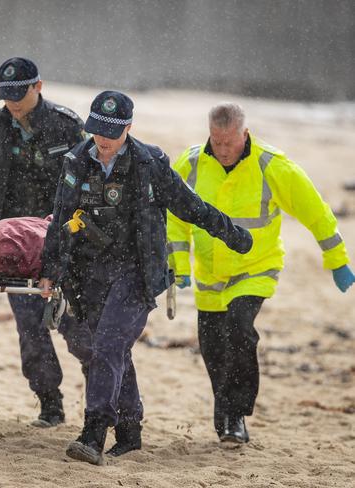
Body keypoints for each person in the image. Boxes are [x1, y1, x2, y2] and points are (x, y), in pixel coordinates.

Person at [39, 91, 253, 465]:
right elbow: (60, 218)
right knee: (104, 350)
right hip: (87, 274)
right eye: (97, 131)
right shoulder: (76, 161)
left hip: (135, 272)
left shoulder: (149, 163)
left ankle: (94, 430)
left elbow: (191, 207)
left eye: (110, 132)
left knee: (107, 346)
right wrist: (49, 271)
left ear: (128, 128)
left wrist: (231, 233)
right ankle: (130, 430)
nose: (102, 141)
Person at [167, 102, 354, 445]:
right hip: (209, 274)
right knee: (213, 348)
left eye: (229, 142)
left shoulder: (272, 165)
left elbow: (315, 211)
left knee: (239, 328)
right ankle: (225, 414)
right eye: (216, 141)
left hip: (255, 268)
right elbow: (174, 217)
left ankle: (235, 414)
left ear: (245, 133)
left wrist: (337, 259)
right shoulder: (190, 163)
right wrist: (178, 264)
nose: (222, 150)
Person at [0, 57, 86, 428]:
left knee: (76, 326)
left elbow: (90, 182)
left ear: (38, 87)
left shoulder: (66, 127)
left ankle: (100, 397)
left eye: (20, 94)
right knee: (30, 328)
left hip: (62, 245)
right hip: (14, 251)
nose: (13, 104)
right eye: (6, 96)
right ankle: (49, 401)